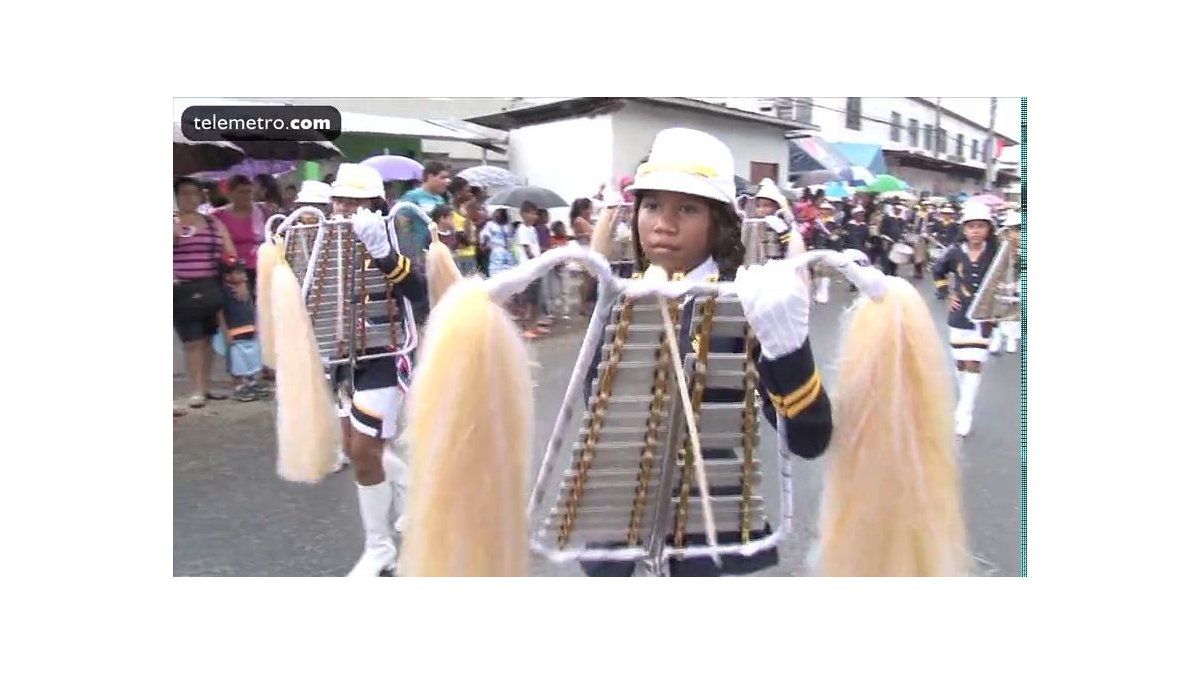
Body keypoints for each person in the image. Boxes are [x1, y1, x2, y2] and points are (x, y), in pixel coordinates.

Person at [578, 128, 835, 576]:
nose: (663, 223)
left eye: (688, 208)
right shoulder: (631, 297)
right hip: (622, 533)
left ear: (718, 222)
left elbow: (810, 439)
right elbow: (591, 402)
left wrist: (788, 349)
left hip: (705, 537)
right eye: (652, 205)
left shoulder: (747, 302)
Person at [327, 163, 429, 576]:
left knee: (365, 451)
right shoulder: (322, 238)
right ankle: (416, 498)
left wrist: (383, 253)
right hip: (343, 358)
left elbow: (418, 293)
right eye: (340, 199)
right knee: (361, 448)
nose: (344, 208)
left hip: (387, 353)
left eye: (354, 200)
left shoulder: (394, 232)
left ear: (374, 204)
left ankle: (380, 547)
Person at [933, 201, 1000, 437]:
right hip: (959, 316)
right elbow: (938, 270)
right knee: (960, 363)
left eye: (981, 226)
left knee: (974, 363)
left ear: (988, 229)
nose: (976, 231)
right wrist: (946, 292)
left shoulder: (997, 253)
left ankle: (965, 411)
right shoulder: (954, 252)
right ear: (964, 228)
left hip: (985, 317)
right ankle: (964, 402)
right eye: (971, 226)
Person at [173, 177, 241, 410]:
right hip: (182, 288)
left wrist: (234, 272)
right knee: (192, 341)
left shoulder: (213, 223)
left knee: (208, 338)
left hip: (210, 286)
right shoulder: (171, 223)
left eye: (194, 193)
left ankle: (206, 385)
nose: (190, 198)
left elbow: (229, 250)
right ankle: (196, 389)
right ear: (177, 196)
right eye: (184, 193)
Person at [212, 175, 270, 293]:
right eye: (241, 192)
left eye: (249, 192)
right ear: (231, 193)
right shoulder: (217, 216)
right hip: (230, 269)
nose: (246, 195)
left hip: (258, 267)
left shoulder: (261, 213)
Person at [400, 161, 452, 251]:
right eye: (442, 177)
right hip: (418, 251)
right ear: (430, 177)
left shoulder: (440, 200)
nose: (446, 182)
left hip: (437, 249)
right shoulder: (412, 196)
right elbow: (402, 223)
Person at [514, 201, 547, 339]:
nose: (533, 216)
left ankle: (533, 325)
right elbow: (527, 250)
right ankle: (525, 327)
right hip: (528, 268)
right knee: (526, 299)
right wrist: (537, 261)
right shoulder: (522, 229)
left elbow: (536, 247)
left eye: (535, 213)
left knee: (536, 299)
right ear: (523, 214)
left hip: (537, 268)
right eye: (530, 213)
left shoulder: (533, 229)